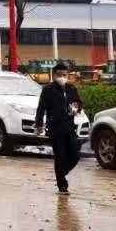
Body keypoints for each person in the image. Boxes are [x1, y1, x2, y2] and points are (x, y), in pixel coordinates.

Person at [36, 62, 82, 193]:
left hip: (69, 127)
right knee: (60, 156)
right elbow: (41, 108)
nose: (62, 77)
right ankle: (62, 184)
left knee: (75, 155)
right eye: (59, 75)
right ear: (54, 75)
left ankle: (62, 172)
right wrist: (39, 124)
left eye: (64, 74)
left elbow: (78, 102)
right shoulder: (48, 90)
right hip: (55, 128)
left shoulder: (71, 88)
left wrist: (76, 107)